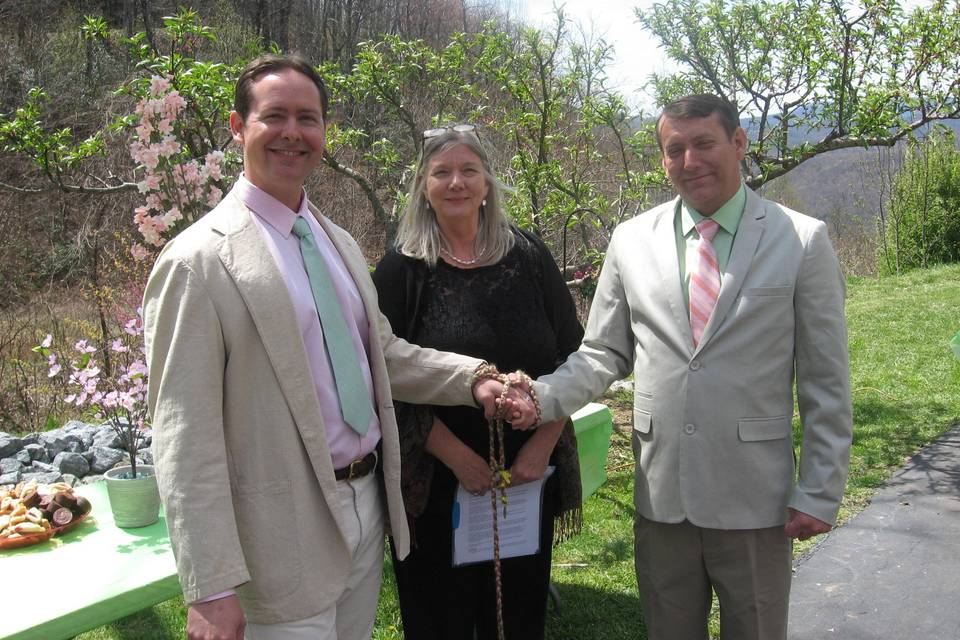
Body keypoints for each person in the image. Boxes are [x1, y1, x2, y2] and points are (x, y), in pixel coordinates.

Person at [143, 55, 531, 640]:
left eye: (309, 117)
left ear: (326, 130)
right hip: (275, 534)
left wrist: (474, 378)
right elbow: (183, 436)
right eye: (275, 116)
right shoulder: (197, 261)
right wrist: (210, 586)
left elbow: (384, 353)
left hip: (367, 505)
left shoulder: (336, 241)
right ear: (236, 126)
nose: (293, 133)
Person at [530, 94, 853, 640]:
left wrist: (820, 489)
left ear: (739, 143)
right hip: (662, 496)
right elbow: (603, 352)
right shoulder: (630, 241)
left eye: (703, 144)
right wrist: (539, 398)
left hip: (756, 499)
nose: (689, 161)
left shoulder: (801, 240)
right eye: (673, 149)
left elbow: (826, 380)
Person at [371, 123, 584, 640]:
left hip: (528, 475)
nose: (456, 183)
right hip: (435, 478)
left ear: (488, 182)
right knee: (439, 617)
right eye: (441, 172)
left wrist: (541, 447)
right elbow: (384, 376)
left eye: (468, 170)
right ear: (423, 185)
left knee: (516, 614)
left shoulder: (528, 257)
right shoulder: (403, 270)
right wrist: (459, 459)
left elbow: (574, 357)